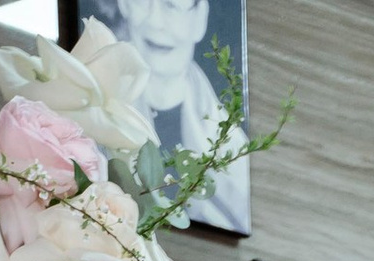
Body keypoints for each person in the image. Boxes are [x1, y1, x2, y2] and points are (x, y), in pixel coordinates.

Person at [80, 0, 248, 232]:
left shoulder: (232, 149)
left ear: (200, 17)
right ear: (124, 5)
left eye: (173, 4)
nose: (156, 22)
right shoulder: (88, 115)